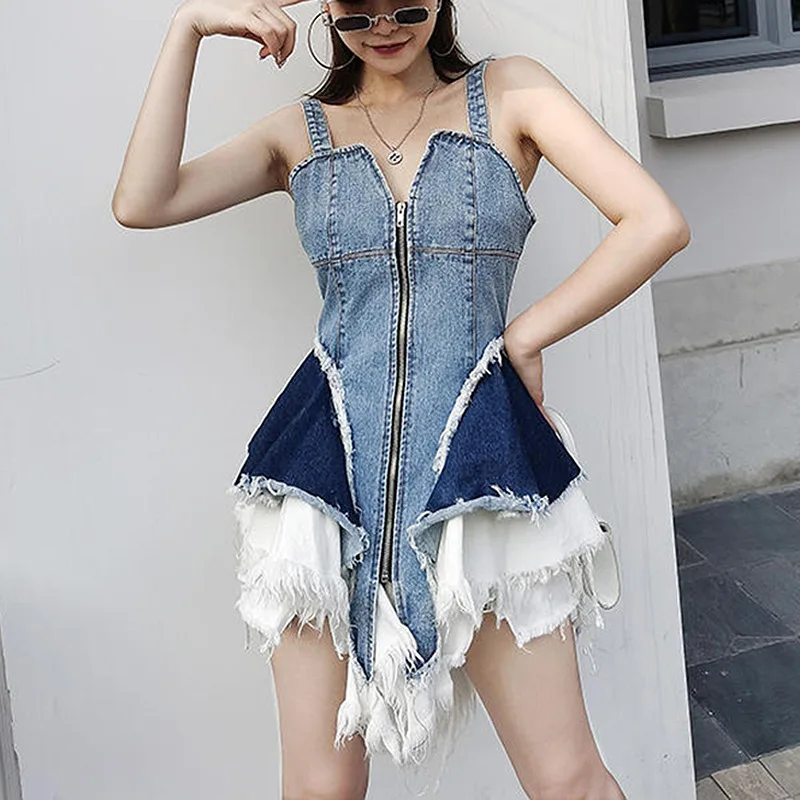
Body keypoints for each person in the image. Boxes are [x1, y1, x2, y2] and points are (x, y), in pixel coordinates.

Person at [112, 0, 689, 797]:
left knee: (568, 782)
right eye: (358, 11)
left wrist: (526, 335)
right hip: (321, 493)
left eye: (406, 5)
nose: (384, 25)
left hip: (481, 482)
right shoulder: (298, 133)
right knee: (319, 789)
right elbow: (142, 201)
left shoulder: (511, 94)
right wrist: (189, 26)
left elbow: (654, 220)